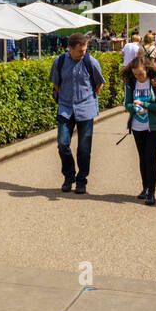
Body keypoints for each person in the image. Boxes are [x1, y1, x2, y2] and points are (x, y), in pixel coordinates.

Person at [49, 33, 105, 195]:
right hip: (66, 109)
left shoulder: (91, 62)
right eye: (80, 51)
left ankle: (81, 180)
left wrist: (88, 99)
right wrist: (64, 99)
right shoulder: (59, 62)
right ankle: (69, 176)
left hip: (85, 109)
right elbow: (56, 84)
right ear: (70, 49)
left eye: (85, 50)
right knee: (62, 144)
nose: (83, 53)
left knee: (84, 149)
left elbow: (99, 84)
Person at [122, 54, 156, 205]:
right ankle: (145, 187)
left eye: (141, 73)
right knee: (142, 157)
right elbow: (127, 104)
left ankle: (152, 192)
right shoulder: (131, 83)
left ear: (147, 70)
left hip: (154, 126)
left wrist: (145, 105)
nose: (139, 77)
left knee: (150, 157)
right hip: (137, 125)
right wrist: (133, 108)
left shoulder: (155, 83)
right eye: (136, 74)